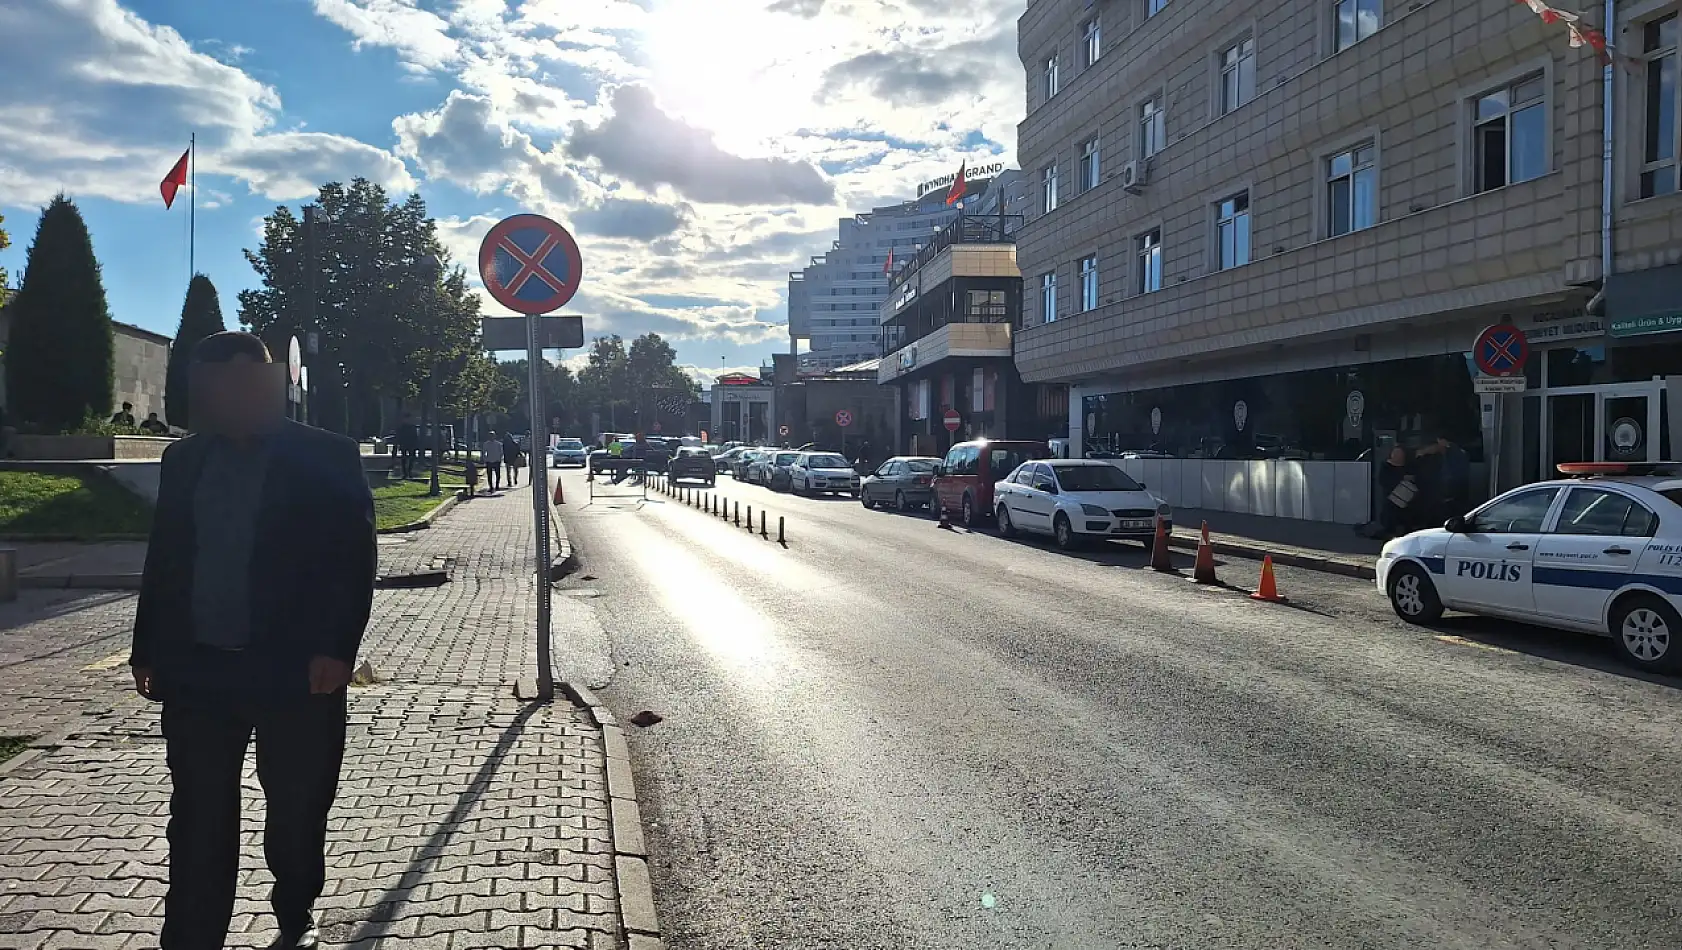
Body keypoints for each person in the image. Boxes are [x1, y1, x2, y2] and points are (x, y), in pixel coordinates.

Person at [129, 331, 375, 950]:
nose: (233, 397)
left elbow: (353, 557)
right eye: (219, 386)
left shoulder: (328, 455)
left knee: (296, 810)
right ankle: (190, 936)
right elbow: (166, 558)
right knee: (198, 817)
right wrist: (147, 647)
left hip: (296, 670)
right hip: (200, 671)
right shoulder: (183, 460)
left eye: (246, 382)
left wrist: (337, 648)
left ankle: (296, 911)